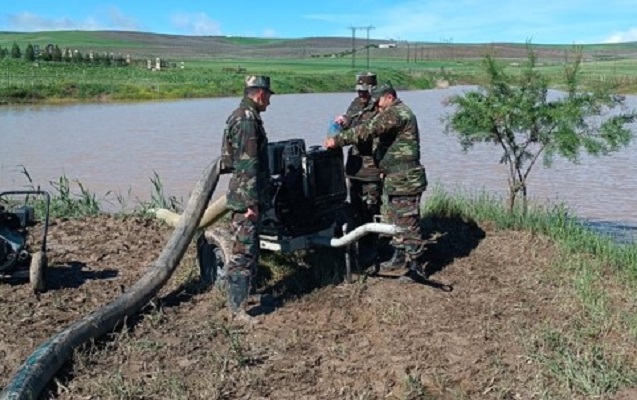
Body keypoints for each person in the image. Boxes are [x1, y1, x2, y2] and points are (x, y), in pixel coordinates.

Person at [326, 82, 428, 275]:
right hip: (396, 178)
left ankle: (417, 267)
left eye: (379, 101)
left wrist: (337, 140)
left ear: (390, 97)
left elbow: (368, 129)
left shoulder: (396, 113)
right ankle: (399, 258)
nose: (377, 106)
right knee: (398, 221)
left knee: (408, 224)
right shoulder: (394, 112)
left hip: (405, 179)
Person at [219, 75, 274, 321]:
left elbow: (229, 159)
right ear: (260, 94)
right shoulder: (247, 120)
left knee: (250, 249)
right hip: (246, 200)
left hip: (246, 196)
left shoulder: (243, 115)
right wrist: (251, 203)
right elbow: (247, 165)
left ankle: (247, 295)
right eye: (268, 96)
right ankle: (237, 310)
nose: (269, 102)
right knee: (242, 253)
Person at [338, 72, 383, 266]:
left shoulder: (381, 107)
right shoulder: (356, 104)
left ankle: (372, 249)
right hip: (355, 168)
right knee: (355, 209)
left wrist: (345, 135)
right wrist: (343, 122)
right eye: (359, 91)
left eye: (365, 91)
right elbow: (350, 124)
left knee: (371, 209)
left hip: (372, 169)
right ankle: (358, 246)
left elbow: (367, 132)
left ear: (373, 89)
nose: (361, 95)